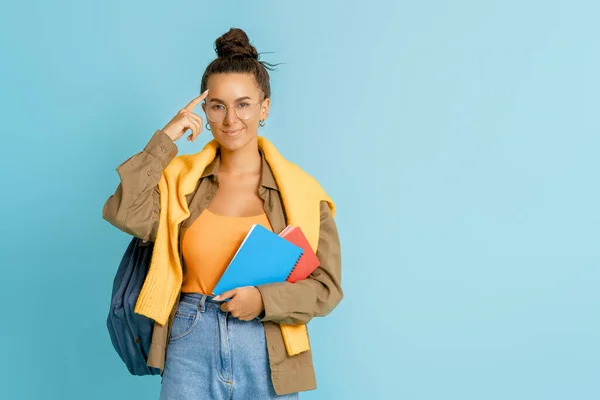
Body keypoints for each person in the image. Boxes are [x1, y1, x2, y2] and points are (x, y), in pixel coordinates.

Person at [102, 27, 342, 399]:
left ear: (264, 107)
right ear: (205, 109)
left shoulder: (304, 194)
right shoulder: (180, 180)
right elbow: (124, 211)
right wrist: (165, 140)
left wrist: (264, 300)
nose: (230, 119)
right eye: (218, 105)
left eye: (243, 104)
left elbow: (326, 287)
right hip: (189, 337)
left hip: (267, 343)